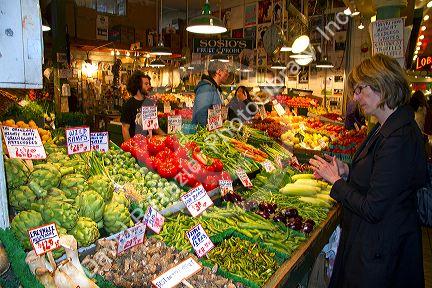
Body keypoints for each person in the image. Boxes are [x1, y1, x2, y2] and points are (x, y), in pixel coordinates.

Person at [309, 54, 427, 288]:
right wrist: (347, 171)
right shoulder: (386, 127)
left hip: (381, 255)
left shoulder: (399, 138)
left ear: (381, 86)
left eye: (360, 89)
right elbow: (379, 176)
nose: (355, 97)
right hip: (374, 246)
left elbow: (374, 208)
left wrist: (337, 183)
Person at [192, 61, 229, 127]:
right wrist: (207, 133)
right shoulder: (206, 88)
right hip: (203, 134)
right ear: (219, 71)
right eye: (226, 71)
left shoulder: (215, 88)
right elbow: (201, 113)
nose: (228, 74)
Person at [120, 71, 152, 141]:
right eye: (146, 84)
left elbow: (154, 125)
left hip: (149, 144)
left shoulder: (149, 102)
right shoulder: (128, 105)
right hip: (136, 145)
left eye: (149, 84)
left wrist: (164, 135)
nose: (149, 86)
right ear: (138, 86)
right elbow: (125, 129)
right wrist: (130, 147)